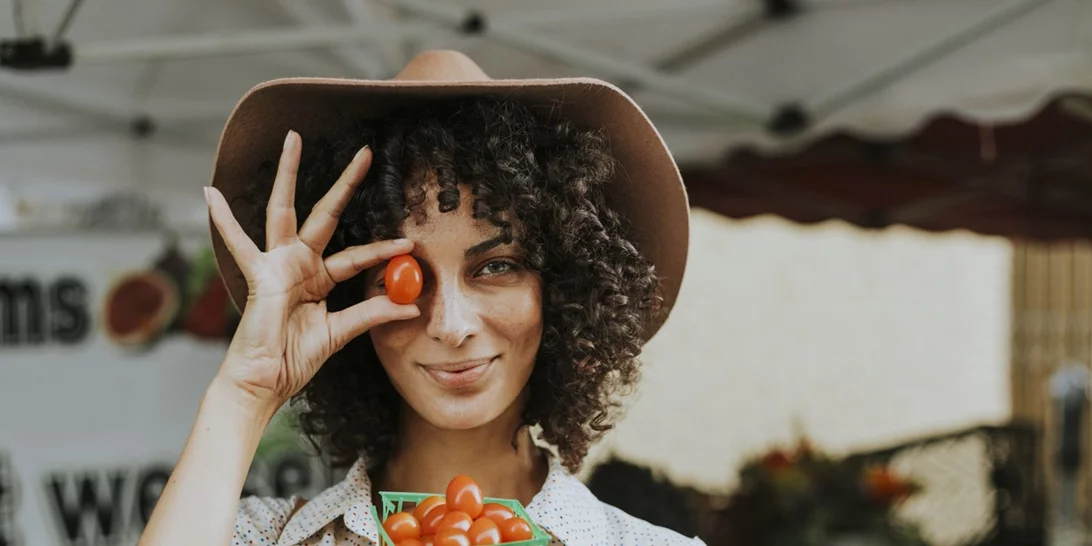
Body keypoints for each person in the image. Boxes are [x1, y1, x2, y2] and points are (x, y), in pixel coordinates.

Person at [137, 50, 697, 546]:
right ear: (347, 296)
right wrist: (246, 392)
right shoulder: (261, 539)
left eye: (496, 267)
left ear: (562, 287)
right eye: (402, 275)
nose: (451, 325)